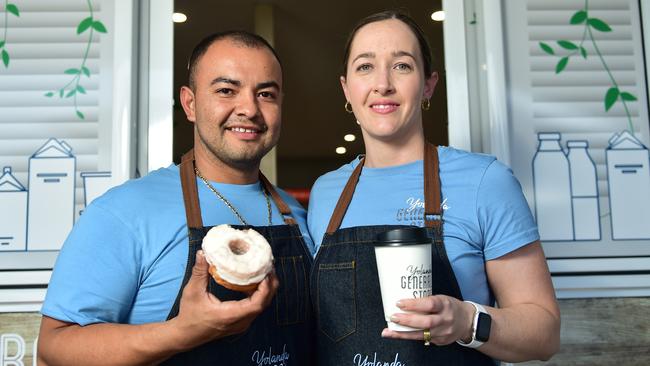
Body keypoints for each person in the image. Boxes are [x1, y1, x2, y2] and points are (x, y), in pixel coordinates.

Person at [38, 31, 315, 365]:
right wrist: (181, 332)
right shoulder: (124, 212)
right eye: (226, 90)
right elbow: (54, 350)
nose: (249, 109)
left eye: (266, 94)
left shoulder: (296, 215)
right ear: (191, 103)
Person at [307, 10, 560, 365]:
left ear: (428, 84)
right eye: (365, 67)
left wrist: (465, 322)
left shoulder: (485, 181)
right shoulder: (325, 194)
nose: (383, 83)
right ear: (347, 88)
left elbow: (544, 333)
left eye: (402, 66)